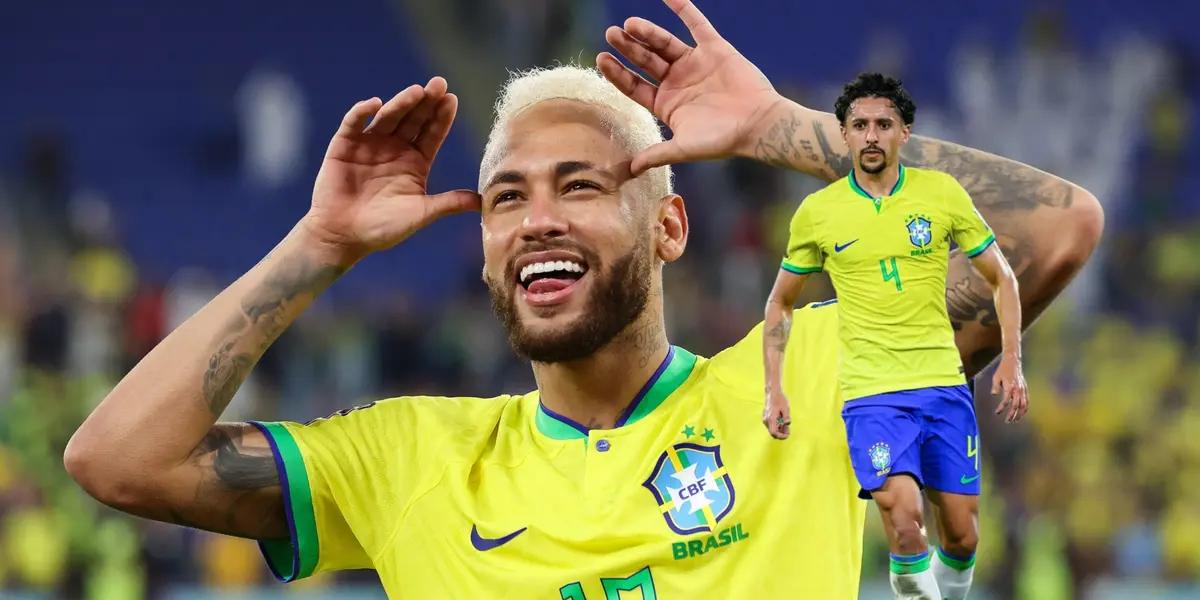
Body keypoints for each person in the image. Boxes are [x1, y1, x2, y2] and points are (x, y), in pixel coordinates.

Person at [65, 1, 1103, 597]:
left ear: (670, 225)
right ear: (485, 254)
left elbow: (1054, 231)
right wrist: (318, 245)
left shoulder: (818, 375)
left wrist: (782, 131)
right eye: (506, 197)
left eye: (582, 185)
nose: (537, 219)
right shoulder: (406, 461)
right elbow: (117, 459)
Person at [757, 71, 1024, 600]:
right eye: (860, 125)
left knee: (964, 533)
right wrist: (774, 387)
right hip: (871, 393)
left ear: (905, 133)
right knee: (903, 520)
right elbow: (780, 303)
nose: (872, 135)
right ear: (845, 135)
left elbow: (1003, 277)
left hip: (943, 385)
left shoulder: (940, 194)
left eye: (884, 124)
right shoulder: (818, 213)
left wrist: (1012, 360)